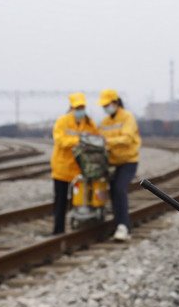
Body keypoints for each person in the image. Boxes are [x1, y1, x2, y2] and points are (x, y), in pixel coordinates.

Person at [96, 89, 141, 242]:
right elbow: (99, 138)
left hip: (128, 161)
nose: (104, 108)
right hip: (111, 162)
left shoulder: (127, 117)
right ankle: (118, 224)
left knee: (119, 189)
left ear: (115, 103)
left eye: (106, 105)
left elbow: (127, 138)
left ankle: (124, 227)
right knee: (112, 193)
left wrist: (107, 142)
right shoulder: (105, 121)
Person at [50, 93, 97, 235]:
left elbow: (96, 139)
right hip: (62, 169)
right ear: (71, 107)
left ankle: (76, 229)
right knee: (60, 202)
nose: (80, 110)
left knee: (79, 201)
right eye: (77, 107)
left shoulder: (89, 124)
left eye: (82, 107)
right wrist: (80, 141)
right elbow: (60, 140)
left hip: (79, 170)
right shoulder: (62, 121)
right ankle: (58, 231)